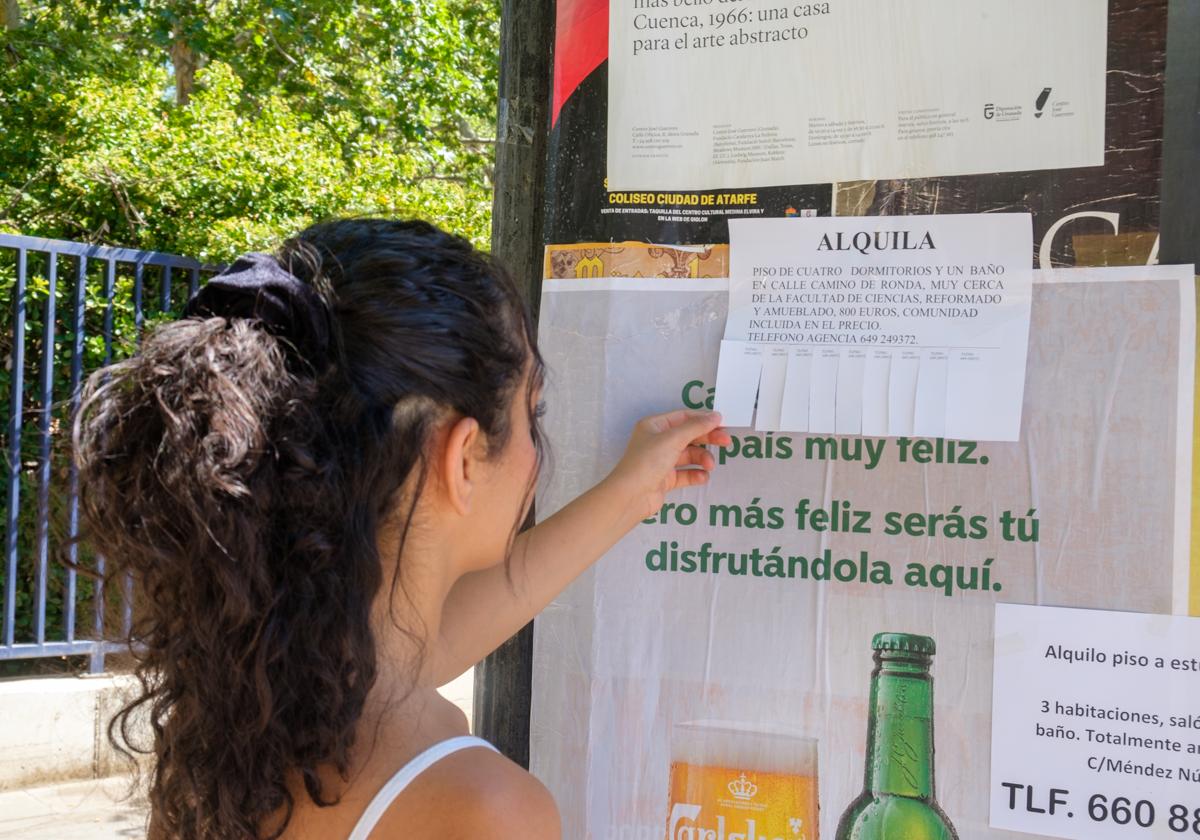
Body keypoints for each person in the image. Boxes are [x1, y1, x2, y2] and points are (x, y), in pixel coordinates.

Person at [74, 218, 729, 840]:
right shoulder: (485, 811)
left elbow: (427, 645)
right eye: (535, 413)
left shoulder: (224, 741)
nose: (537, 450)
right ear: (464, 454)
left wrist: (628, 494)